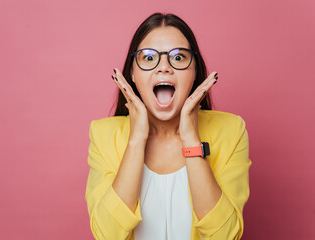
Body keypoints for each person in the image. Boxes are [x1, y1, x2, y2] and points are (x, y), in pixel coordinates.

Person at [85, 12, 252, 240]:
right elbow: (107, 235)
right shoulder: (104, 135)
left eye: (179, 58)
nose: (164, 67)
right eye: (149, 58)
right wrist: (136, 140)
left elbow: (224, 236)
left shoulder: (231, 131)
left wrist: (191, 139)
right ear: (132, 73)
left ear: (195, 73)